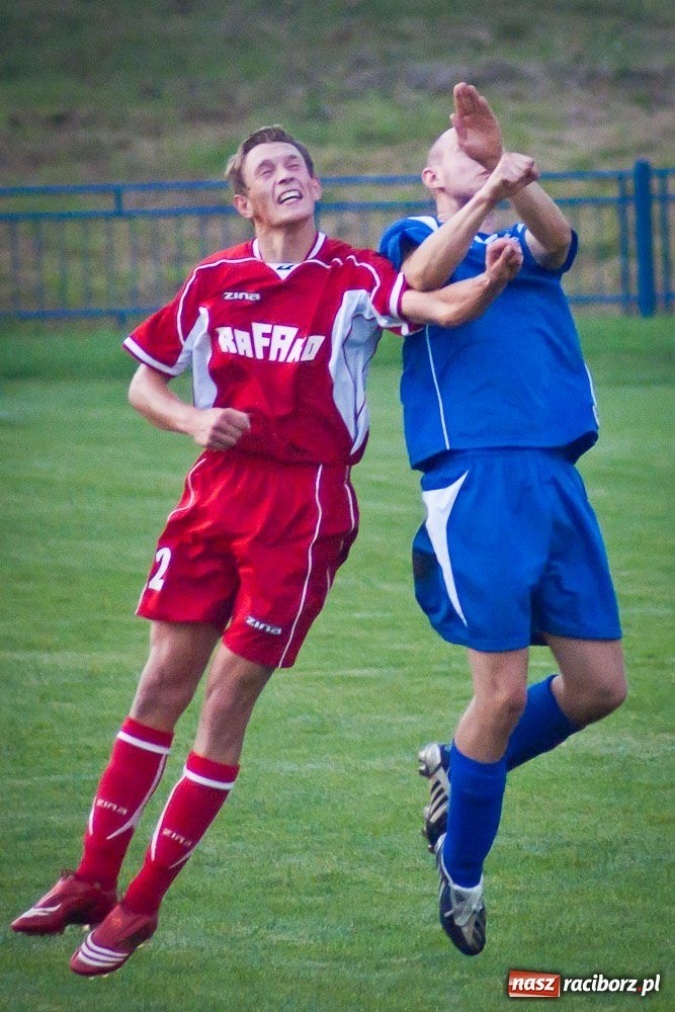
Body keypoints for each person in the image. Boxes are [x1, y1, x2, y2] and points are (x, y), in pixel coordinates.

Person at [11, 123, 537, 977]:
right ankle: (90, 878)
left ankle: (140, 905)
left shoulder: (354, 273)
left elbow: (433, 303)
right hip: (212, 494)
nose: (287, 176)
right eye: (268, 170)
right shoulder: (214, 279)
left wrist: (489, 275)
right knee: (157, 686)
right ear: (242, 199)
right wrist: (190, 418)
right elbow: (145, 377)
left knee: (222, 704)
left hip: (303, 506)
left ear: (317, 188)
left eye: (297, 166)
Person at [378, 84, 627, 957]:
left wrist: (509, 172)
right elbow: (417, 283)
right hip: (474, 476)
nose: (472, 162)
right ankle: (463, 873)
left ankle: (460, 762)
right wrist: (483, 188)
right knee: (503, 692)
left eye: (479, 155)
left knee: (600, 687)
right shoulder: (412, 238)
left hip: (554, 474)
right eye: (455, 153)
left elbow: (558, 240)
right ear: (429, 174)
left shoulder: (520, 238)